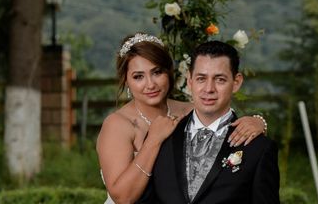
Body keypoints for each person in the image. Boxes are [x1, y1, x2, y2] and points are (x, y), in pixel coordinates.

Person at [96, 33, 267, 204]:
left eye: (157, 72)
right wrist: (153, 140)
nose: (150, 84)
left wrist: (259, 122)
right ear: (126, 80)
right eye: (138, 76)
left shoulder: (189, 110)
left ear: (169, 72)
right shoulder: (117, 125)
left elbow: (223, 124)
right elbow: (123, 198)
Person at [137, 40, 280, 204]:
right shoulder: (161, 137)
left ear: (236, 82)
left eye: (219, 79)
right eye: (201, 78)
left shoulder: (259, 149)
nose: (208, 89)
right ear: (189, 80)